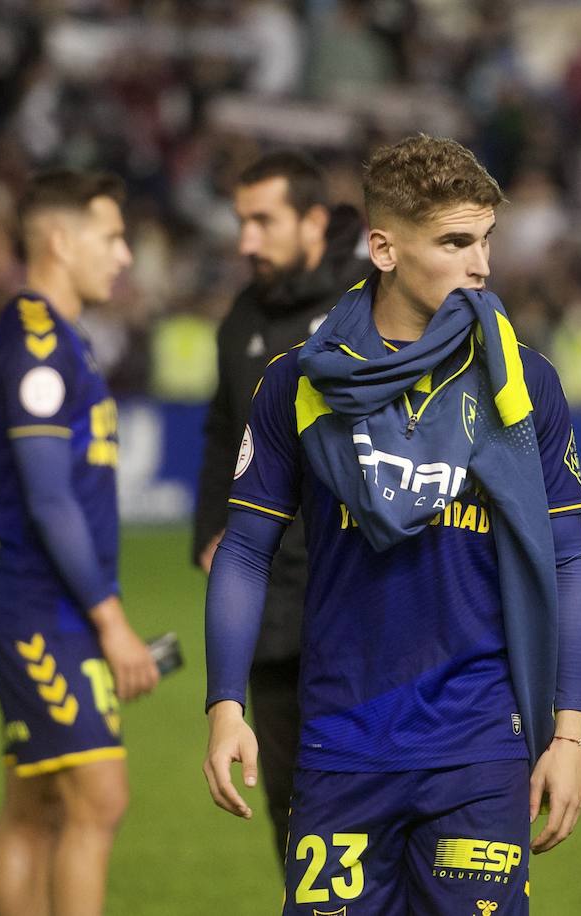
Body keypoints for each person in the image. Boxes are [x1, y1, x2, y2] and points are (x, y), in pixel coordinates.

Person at [203, 135, 581, 914]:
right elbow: (245, 549)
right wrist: (224, 707)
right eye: (455, 242)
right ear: (383, 248)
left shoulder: (521, 380)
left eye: (486, 239)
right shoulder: (299, 384)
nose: (481, 265)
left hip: (481, 745)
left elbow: (570, 557)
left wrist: (572, 736)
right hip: (342, 741)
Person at [0, 169, 159, 916]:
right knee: (99, 799)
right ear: (59, 239)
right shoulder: (41, 344)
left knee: (37, 805)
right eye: (112, 237)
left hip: (51, 604)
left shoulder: (63, 340)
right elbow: (50, 501)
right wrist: (111, 621)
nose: (124, 256)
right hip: (38, 606)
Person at [192, 149, 370, 868]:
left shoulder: (372, 299)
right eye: (241, 223)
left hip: (361, 607)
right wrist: (210, 531)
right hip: (270, 610)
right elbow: (220, 431)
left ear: (314, 222)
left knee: (377, 814)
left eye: (263, 221)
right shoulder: (241, 319)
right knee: (296, 822)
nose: (246, 242)